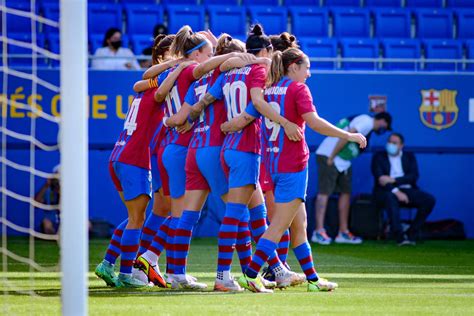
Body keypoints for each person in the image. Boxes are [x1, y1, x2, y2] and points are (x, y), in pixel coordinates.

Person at [221, 48, 366, 293]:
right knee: (278, 226)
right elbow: (315, 122)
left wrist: (224, 127)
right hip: (293, 165)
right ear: (294, 66)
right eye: (307, 68)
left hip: (273, 165)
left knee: (300, 225)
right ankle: (251, 274)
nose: (309, 74)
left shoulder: (267, 90)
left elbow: (245, 116)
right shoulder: (298, 89)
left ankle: (313, 280)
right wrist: (348, 135)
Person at [311, 112, 392, 245]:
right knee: (324, 192)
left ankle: (343, 232)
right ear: (382, 120)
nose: (384, 129)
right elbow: (348, 135)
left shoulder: (367, 126)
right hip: (329, 155)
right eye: (385, 126)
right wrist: (332, 156)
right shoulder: (366, 122)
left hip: (343, 162)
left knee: (346, 193)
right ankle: (318, 231)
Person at [372, 132, 435, 245]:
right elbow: (381, 179)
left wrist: (394, 180)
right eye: (389, 142)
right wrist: (396, 191)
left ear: (401, 145)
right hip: (387, 190)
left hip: (407, 190)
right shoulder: (379, 157)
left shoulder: (409, 156)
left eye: (394, 143)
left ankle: (411, 233)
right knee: (390, 197)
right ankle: (399, 236)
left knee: (429, 200)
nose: (391, 145)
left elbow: (413, 176)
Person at [35, 165, 60, 235]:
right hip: (51, 221)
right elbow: (35, 204)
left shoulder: (71, 193)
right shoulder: (47, 190)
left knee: (86, 225)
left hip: (67, 222)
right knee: (46, 224)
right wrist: (46, 185)